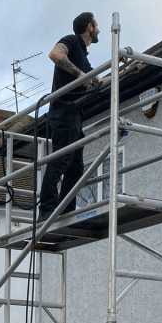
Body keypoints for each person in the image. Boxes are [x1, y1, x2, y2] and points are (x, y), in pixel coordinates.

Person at [38, 12, 102, 223]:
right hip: (63, 111)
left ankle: (65, 209)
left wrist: (127, 70)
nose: (99, 30)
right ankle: (47, 210)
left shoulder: (84, 58)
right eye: (97, 26)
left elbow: (98, 81)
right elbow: (55, 55)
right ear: (90, 27)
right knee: (61, 159)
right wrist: (80, 76)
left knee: (75, 166)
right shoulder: (72, 41)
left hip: (74, 114)